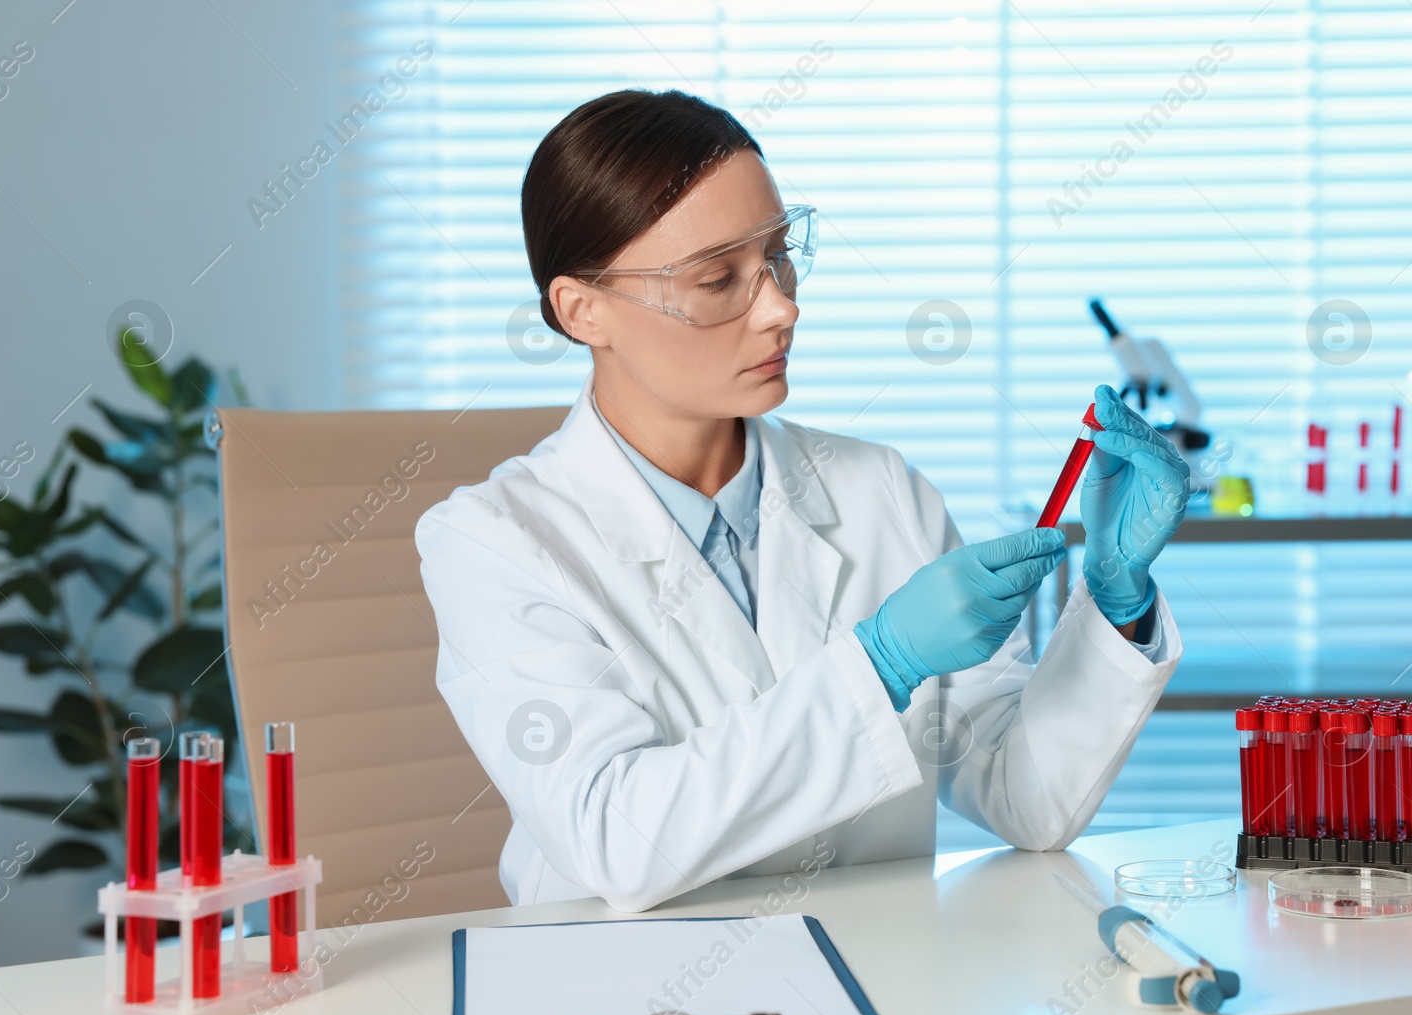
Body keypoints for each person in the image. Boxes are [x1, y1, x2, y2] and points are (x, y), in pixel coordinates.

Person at [416, 89, 1190, 912]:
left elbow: (1024, 799)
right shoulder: (492, 540)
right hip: (627, 1007)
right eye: (719, 279)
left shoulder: (881, 490)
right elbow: (613, 835)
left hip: (886, 992)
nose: (783, 307)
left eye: (778, 258)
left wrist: (1113, 607)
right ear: (582, 310)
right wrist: (880, 663)